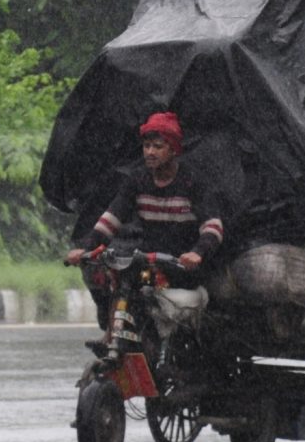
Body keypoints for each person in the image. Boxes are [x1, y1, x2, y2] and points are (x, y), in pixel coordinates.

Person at [65, 111, 224, 362]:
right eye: (147, 146)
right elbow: (110, 219)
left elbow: (213, 227)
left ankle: (177, 355)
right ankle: (113, 334)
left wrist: (197, 253)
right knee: (104, 275)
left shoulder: (193, 182)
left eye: (158, 147)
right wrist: (85, 248)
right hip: (147, 260)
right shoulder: (137, 180)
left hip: (181, 267)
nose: (150, 152)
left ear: (173, 150)